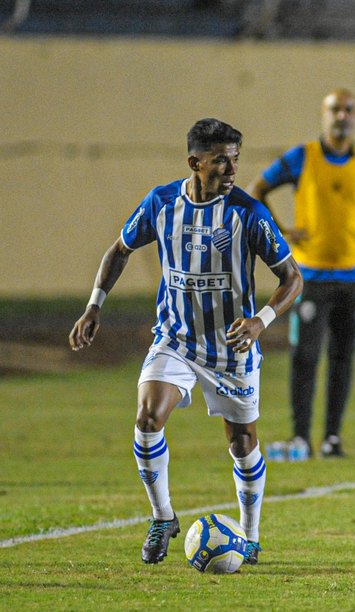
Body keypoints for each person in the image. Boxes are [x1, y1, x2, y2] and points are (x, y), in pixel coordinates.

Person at [69, 118, 303, 566]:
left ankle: (250, 537)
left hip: (231, 349)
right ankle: (163, 517)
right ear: (194, 162)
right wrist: (95, 305)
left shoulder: (248, 213)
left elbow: (293, 278)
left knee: (241, 443)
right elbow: (119, 249)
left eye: (235, 158)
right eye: (220, 160)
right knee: (147, 417)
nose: (231, 169)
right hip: (175, 339)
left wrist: (260, 320)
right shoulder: (161, 204)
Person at [247, 88, 355, 459]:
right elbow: (257, 188)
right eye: (335, 109)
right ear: (324, 115)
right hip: (310, 275)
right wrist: (280, 230)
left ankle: (332, 438)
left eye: (349, 109)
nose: (342, 116)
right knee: (304, 355)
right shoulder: (301, 158)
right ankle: (302, 437)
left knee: (343, 356)